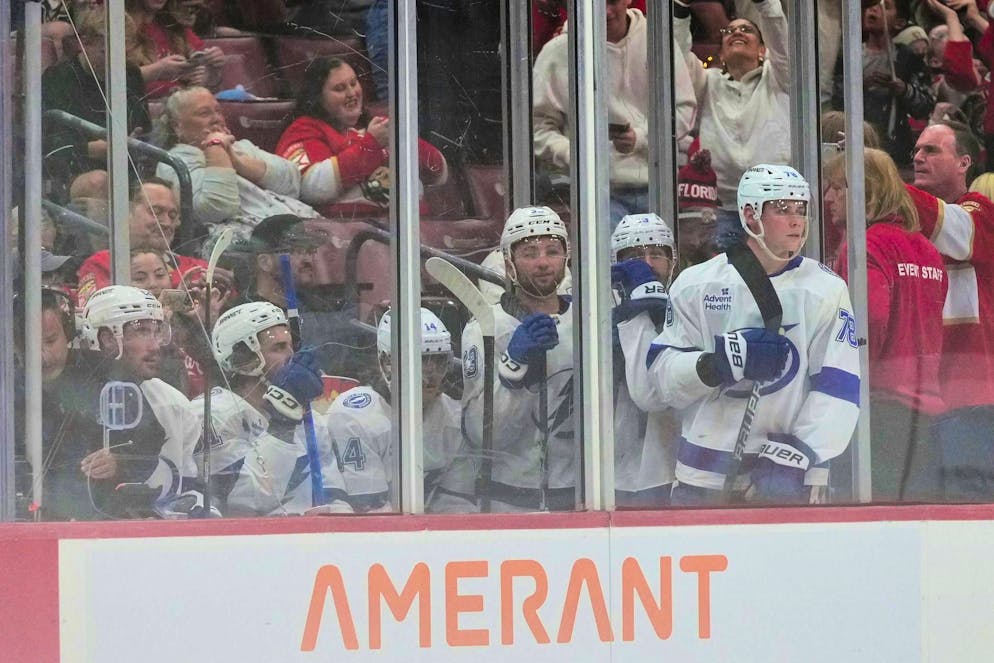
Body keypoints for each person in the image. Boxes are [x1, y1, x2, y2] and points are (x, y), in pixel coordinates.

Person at [646, 164, 861, 506]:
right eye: (782, 209)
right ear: (750, 214)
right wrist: (714, 365)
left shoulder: (826, 288)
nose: (796, 221)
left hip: (792, 475)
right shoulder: (696, 283)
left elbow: (840, 385)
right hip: (703, 473)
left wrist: (801, 451)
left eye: (801, 209)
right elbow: (660, 378)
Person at [828, 148, 947, 501]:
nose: (829, 197)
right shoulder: (928, 249)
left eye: (839, 187)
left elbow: (870, 321)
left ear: (868, 190)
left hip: (878, 411)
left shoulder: (865, 246)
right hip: (927, 415)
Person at [453, 206, 576, 512]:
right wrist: (513, 367)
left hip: (579, 494)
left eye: (552, 251)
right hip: (509, 499)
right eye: (529, 253)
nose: (543, 262)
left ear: (566, 257)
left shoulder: (589, 319)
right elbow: (481, 436)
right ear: (509, 265)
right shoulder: (484, 328)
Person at [533, 0, 696, 225]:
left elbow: (684, 108)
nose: (606, 12)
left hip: (658, 187)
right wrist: (577, 154)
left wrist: (640, 137)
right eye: (597, 3)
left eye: (612, 1)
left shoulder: (659, 40)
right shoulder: (557, 52)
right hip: (592, 190)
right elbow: (539, 128)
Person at [905, 120, 994, 501]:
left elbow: (957, 233)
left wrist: (885, 186)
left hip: (970, 391)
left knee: (970, 505)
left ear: (964, 163)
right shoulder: (906, 226)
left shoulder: (982, 211)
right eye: (917, 150)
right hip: (916, 393)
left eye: (932, 150)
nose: (918, 157)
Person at [195, 301, 352, 516]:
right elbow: (243, 501)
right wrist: (284, 421)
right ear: (245, 358)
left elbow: (334, 494)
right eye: (278, 348)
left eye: (291, 346)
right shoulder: (212, 414)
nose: (292, 357)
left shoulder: (310, 418)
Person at [321, 307, 465, 513]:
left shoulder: (451, 414)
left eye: (439, 360)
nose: (432, 373)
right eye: (421, 360)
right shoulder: (353, 418)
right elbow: (370, 513)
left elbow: (457, 504)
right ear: (387, 362)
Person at [77, 285, 205, 517]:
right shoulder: (72, 396)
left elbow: (186, 486)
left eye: (157, 332)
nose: (155, 345)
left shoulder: (174, 404)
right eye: (141, 332)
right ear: (107, 338)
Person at [674, 0, 791, 246]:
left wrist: (765, 4)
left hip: (774, 206)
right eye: (729, 31)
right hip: (723, 208)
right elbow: (678, 58)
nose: (736, 32)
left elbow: (782, 43)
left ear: (762, 50)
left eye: (747, 30)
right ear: (722, 53)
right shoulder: (708, 83)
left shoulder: (781, 79)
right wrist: (680, 10)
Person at [275, 56, 448, 218]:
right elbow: (310, 187)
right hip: (345, 237)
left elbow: (440, 173)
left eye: (353, 83)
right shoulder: (303, 129)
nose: (352, 93)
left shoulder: (366, 132)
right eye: (339, 88)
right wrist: (371, 146)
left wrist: (403, 139)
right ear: (318, 98)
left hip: (408, 231)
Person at [153, 86, 318, 248]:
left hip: (299, 227)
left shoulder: (241, 147)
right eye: (204, 113)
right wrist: (215, 147)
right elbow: (217, 207)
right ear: (177, 126)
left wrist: (237, 161)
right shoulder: (174, 161)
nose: (216, 118)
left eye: (218, 111)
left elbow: (293, 182)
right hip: (247, 245)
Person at [41, 8, 151, 200]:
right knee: (99, 181)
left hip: (125, 166)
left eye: (122, 52)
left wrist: (134, 141)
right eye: (105, 51)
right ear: (84, 43)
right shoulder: (58, 78)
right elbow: (50, 144)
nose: (115, 60)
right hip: (72, 172)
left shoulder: (131, 74)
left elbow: (144, 127)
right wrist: (92, 149)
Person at [234, 213, 361, 379]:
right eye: (296, 251)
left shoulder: (317, 304)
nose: (308, 259)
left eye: (310, 250)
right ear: (265, 262)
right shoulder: (243, 317)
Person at [609, 213, 681, 507]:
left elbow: (654, 395)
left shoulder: (687, 306)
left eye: (656, 254)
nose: (647, 265)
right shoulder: (592, 315)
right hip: (610, 472)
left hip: (668, 468)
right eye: (636, 256)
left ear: (672, 261)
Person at [831, 0, 934, 166]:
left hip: (895, 149)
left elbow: (926, 105)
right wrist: (860, 86)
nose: (874, 8)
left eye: (884, 7)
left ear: (900, 21)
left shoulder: (907, 58)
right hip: (854, 143)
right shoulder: (848, 54)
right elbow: (834, 99)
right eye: (870, 5)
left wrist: (904, 89)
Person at [75, 177, 207, 306]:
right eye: (156, 212)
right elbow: (99, 315)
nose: (167, 223)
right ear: (127, 213)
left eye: (172, 216)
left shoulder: (198, 269)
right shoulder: (103, 264)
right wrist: (180, 301)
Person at [126, 0, 225, 98]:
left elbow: (206, 88)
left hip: (182, 106)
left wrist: (212, 71)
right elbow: (113, 80)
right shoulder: (118, 27)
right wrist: (157, 70)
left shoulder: (176, 29)